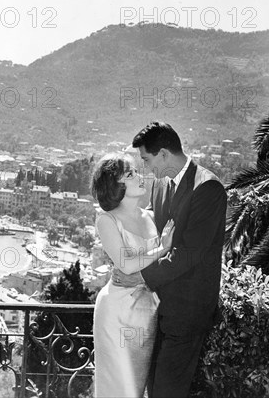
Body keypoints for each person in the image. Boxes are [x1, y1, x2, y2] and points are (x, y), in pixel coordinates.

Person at [113, 121, 227, 398]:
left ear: (164, 154)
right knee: (153, 388)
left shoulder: (208, 188)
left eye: (147, 159)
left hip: (187, 312)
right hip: (158, 309)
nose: (146, 167)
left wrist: (139, 276)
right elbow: (155, 232)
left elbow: (187, 254)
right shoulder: (160, 186)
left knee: (167, 391)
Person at [90, 153, 175, 398]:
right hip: (115, 312)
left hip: (146, 311)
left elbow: (164, 265)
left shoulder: (151, 218)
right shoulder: (106, 220)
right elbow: (126, 265)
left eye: (137, 171)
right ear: (116, 185)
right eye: (130, 174)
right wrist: (162, 248)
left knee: (134, 389)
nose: (139, 177)